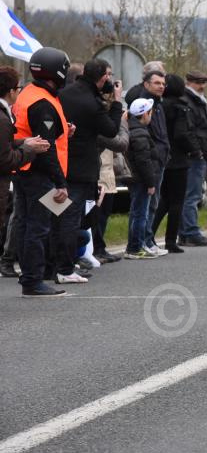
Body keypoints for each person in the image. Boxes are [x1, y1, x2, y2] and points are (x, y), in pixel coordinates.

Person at [56, 58, 123, 283]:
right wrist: (116, 102)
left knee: (55, 216)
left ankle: (52, 266)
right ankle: (65, 269)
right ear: (103, 77)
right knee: (71, 220)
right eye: (109, 75)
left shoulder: (64, 94)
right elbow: (112, 130)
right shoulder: (91, 103)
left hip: (59, 165)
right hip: (81, 170)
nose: (111, 80)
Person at [13, 47, 72, 296]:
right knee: (39, 227)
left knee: (27, 224)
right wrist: (60, 183)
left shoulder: (29, 93)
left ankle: (31, 274)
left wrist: (64, 130)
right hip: (41, 175)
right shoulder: (43, 103)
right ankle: (33, 279)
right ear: (56, 72)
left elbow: (38, 133)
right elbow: (46, 148)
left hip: (25, 170)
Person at [0, 66, 49, 269]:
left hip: (16, 179)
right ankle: (15, 263)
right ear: (11, 91)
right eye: (17, 88)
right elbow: (5, 159)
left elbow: (7, 145)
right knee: (26, 220)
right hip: (23, 176)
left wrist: (24, 142)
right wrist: (29, 150)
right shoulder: (3, 119)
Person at [152, 74, 198, 253]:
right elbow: (182, 134)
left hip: (163, 157)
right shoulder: (180, 108)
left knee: (163, 200)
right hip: (178, 159)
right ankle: (170, 240)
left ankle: (150, 233)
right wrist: (195, 150)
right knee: (177, 201)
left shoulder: (160, 106)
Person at [179, 70, 207, 247]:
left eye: (204, 82)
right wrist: (198, 152)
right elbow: (189, 130)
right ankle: (191, 232)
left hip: (199, 152)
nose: (202, 86)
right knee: (192, 195)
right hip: (195, 155)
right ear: (189, 82)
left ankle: (185, 233)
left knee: (190, 194)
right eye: (198, 82)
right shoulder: (189, 101)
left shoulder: (196, 101)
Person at [124, 98, 159, 259]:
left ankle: (133, 246)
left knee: (136, 211)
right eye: (150, 112)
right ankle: (135, 247)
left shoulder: (131, 128)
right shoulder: (140, 134)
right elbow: (144, 161)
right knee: (140, 214)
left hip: (134, 178)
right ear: (145, 114)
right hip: (141, 179)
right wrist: (151, 183)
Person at [93, 111, 129, 263]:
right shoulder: (98, 121)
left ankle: (100, 247)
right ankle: (95, 248)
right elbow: (120, 143)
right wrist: (121, 121)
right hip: (98, 172)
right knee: (96, 215)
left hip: (108, 171)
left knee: (105, 212)